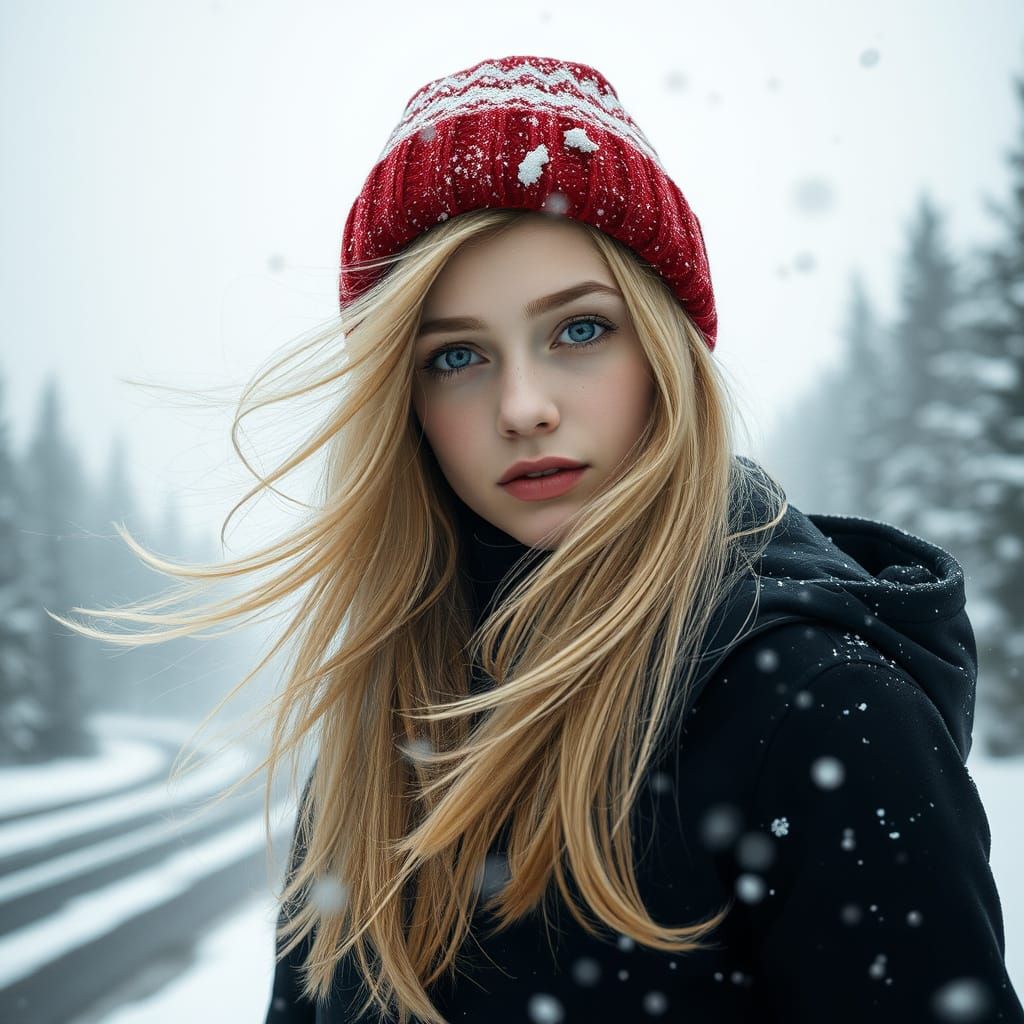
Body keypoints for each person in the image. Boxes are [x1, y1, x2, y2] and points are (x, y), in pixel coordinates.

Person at [247, 54, 1024, 1023]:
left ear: (662, 348)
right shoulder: (382, 735)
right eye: (455, 355)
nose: (522, 407)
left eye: (577, 331)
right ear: (400, 401)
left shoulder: (818, 713)